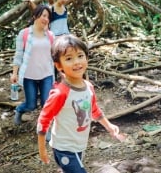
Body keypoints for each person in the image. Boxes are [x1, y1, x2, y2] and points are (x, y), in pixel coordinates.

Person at [37, 35, 120, 173]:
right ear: (58, 65)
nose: (77, 62)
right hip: (64, 148)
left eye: (80, 56)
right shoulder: (60, 93)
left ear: (86, 58)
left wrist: (109, 126)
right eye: (69, 58)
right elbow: (43, 120)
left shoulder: (88, 87)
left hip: (80, 145)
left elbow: (94, 110)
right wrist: (42, 150)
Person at [11, 5, 55, 125]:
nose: (46, 19)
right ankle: (19, 110)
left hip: (46, 74)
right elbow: (18, 54)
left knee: (47, 104)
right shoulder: (24, 34)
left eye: (48, 17)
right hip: (29, 76)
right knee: (31, 105)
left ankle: (46, 130)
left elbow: (54, 56)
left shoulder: (51, 36)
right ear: (35, 16)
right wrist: (14, 73)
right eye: (43, 15)